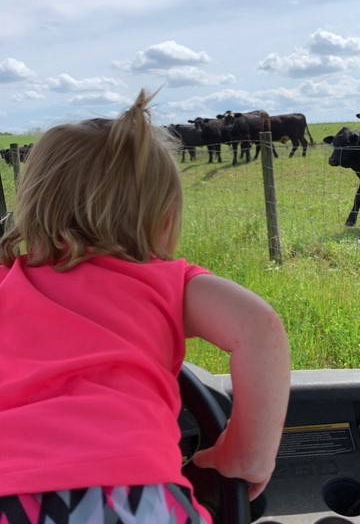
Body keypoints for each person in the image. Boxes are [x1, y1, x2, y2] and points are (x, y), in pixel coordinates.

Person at [0, 89, 291, 524]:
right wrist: (245, 454)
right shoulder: (169, 284)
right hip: (127, 495)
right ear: (167, 217)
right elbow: (259, 327)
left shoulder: (8, 281)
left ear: (34, 204)